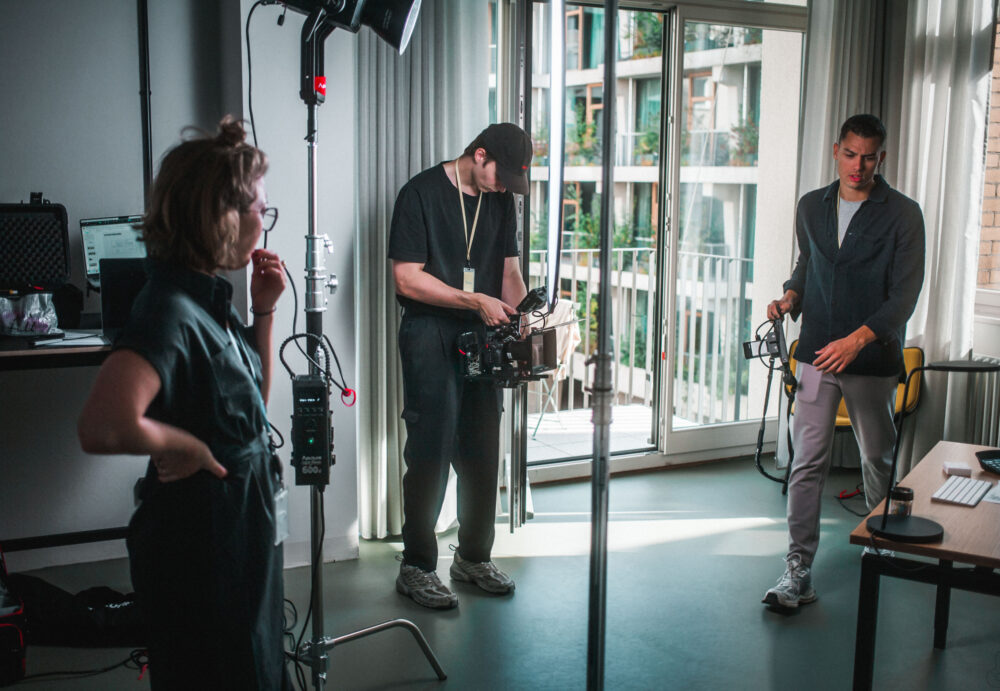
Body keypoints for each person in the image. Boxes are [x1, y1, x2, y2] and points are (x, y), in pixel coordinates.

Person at [78, 117, 289, 688]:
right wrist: (185, 444)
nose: (263, 223)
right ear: (221, 215)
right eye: (260, 210)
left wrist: (264, 311)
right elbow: (102, 423)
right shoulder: (168, 308)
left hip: (239, 531)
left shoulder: (208, 302)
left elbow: (252, 413)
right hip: (203, 548)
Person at [762, 114, 925, 610]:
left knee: (876, 457)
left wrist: (857, 342)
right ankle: (797, 570)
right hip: (816, 354)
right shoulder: (811, 206)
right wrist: (791, 296)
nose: (858, 166)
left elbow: (904, 297)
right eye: (850, 154)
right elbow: (808, 263)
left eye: (869, 157)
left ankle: (881, 541)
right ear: (836, 150)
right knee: (807, 460)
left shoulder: (904, 214)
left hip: (870, 359)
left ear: (881, 157)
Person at [388, 123, 532, 609]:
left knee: (482, 450)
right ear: (480, 154)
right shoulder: (419, 194)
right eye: (501, 175)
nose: (504, 186)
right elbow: (407, 279)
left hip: (484, 334)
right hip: (429, 331)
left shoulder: (500, 201)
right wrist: (474, 300)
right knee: (429, 449)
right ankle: (416, 566)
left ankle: (473, 557)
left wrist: (526, 319)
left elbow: (509, 271)